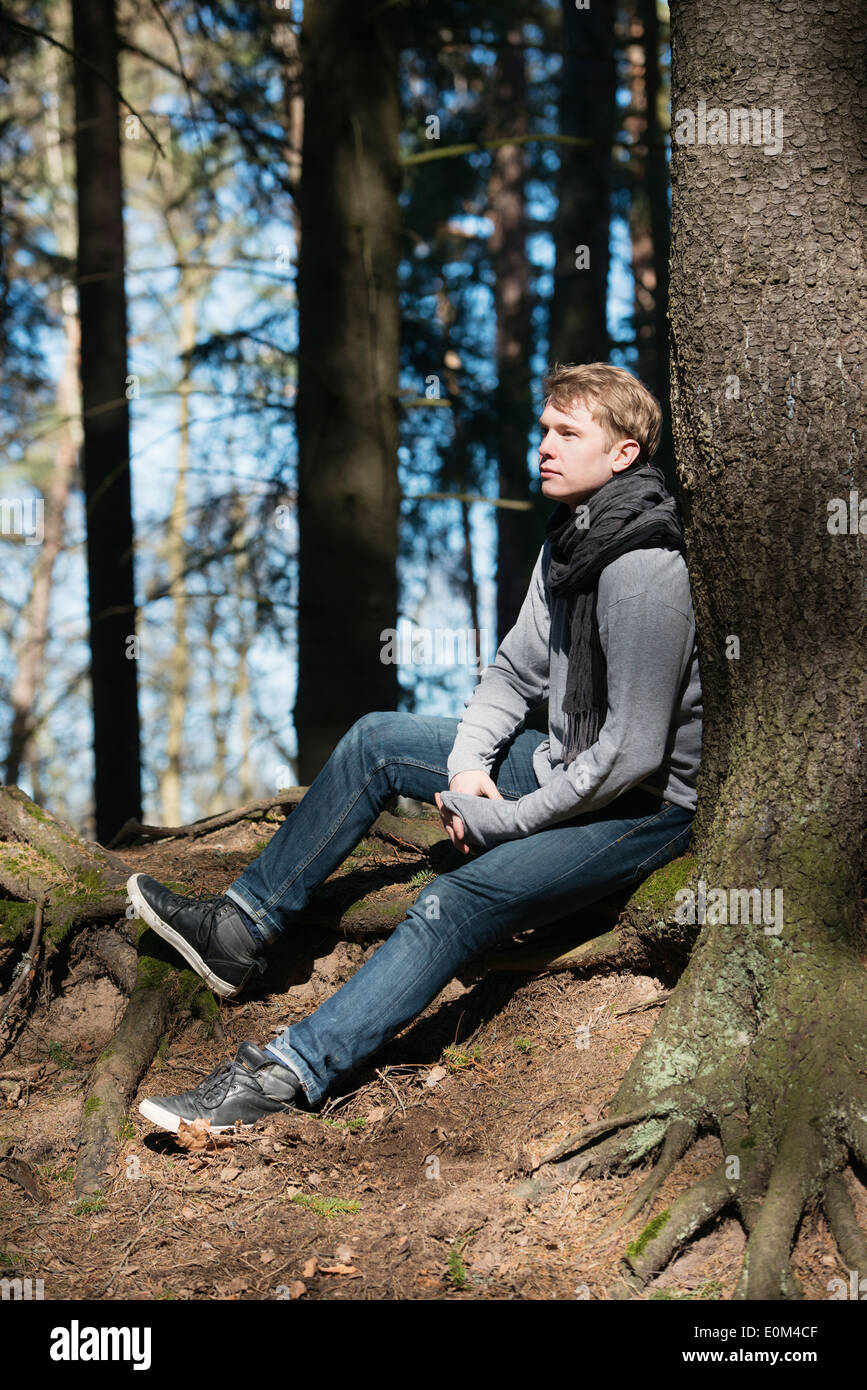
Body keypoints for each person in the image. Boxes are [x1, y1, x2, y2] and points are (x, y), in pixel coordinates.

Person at [129, 362, 702, 1134]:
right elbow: (510, 673)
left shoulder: (641, 567)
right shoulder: (568, 543)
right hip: (568, 766)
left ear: (624, 454)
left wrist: (506, 819)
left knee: (449, 904)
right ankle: (241, 931)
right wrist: (468, 767)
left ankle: (284, 1074)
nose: (545, 446)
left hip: (640, 807)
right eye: (543, 428)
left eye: (568, 433)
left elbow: (631, 754)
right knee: (375, 740)